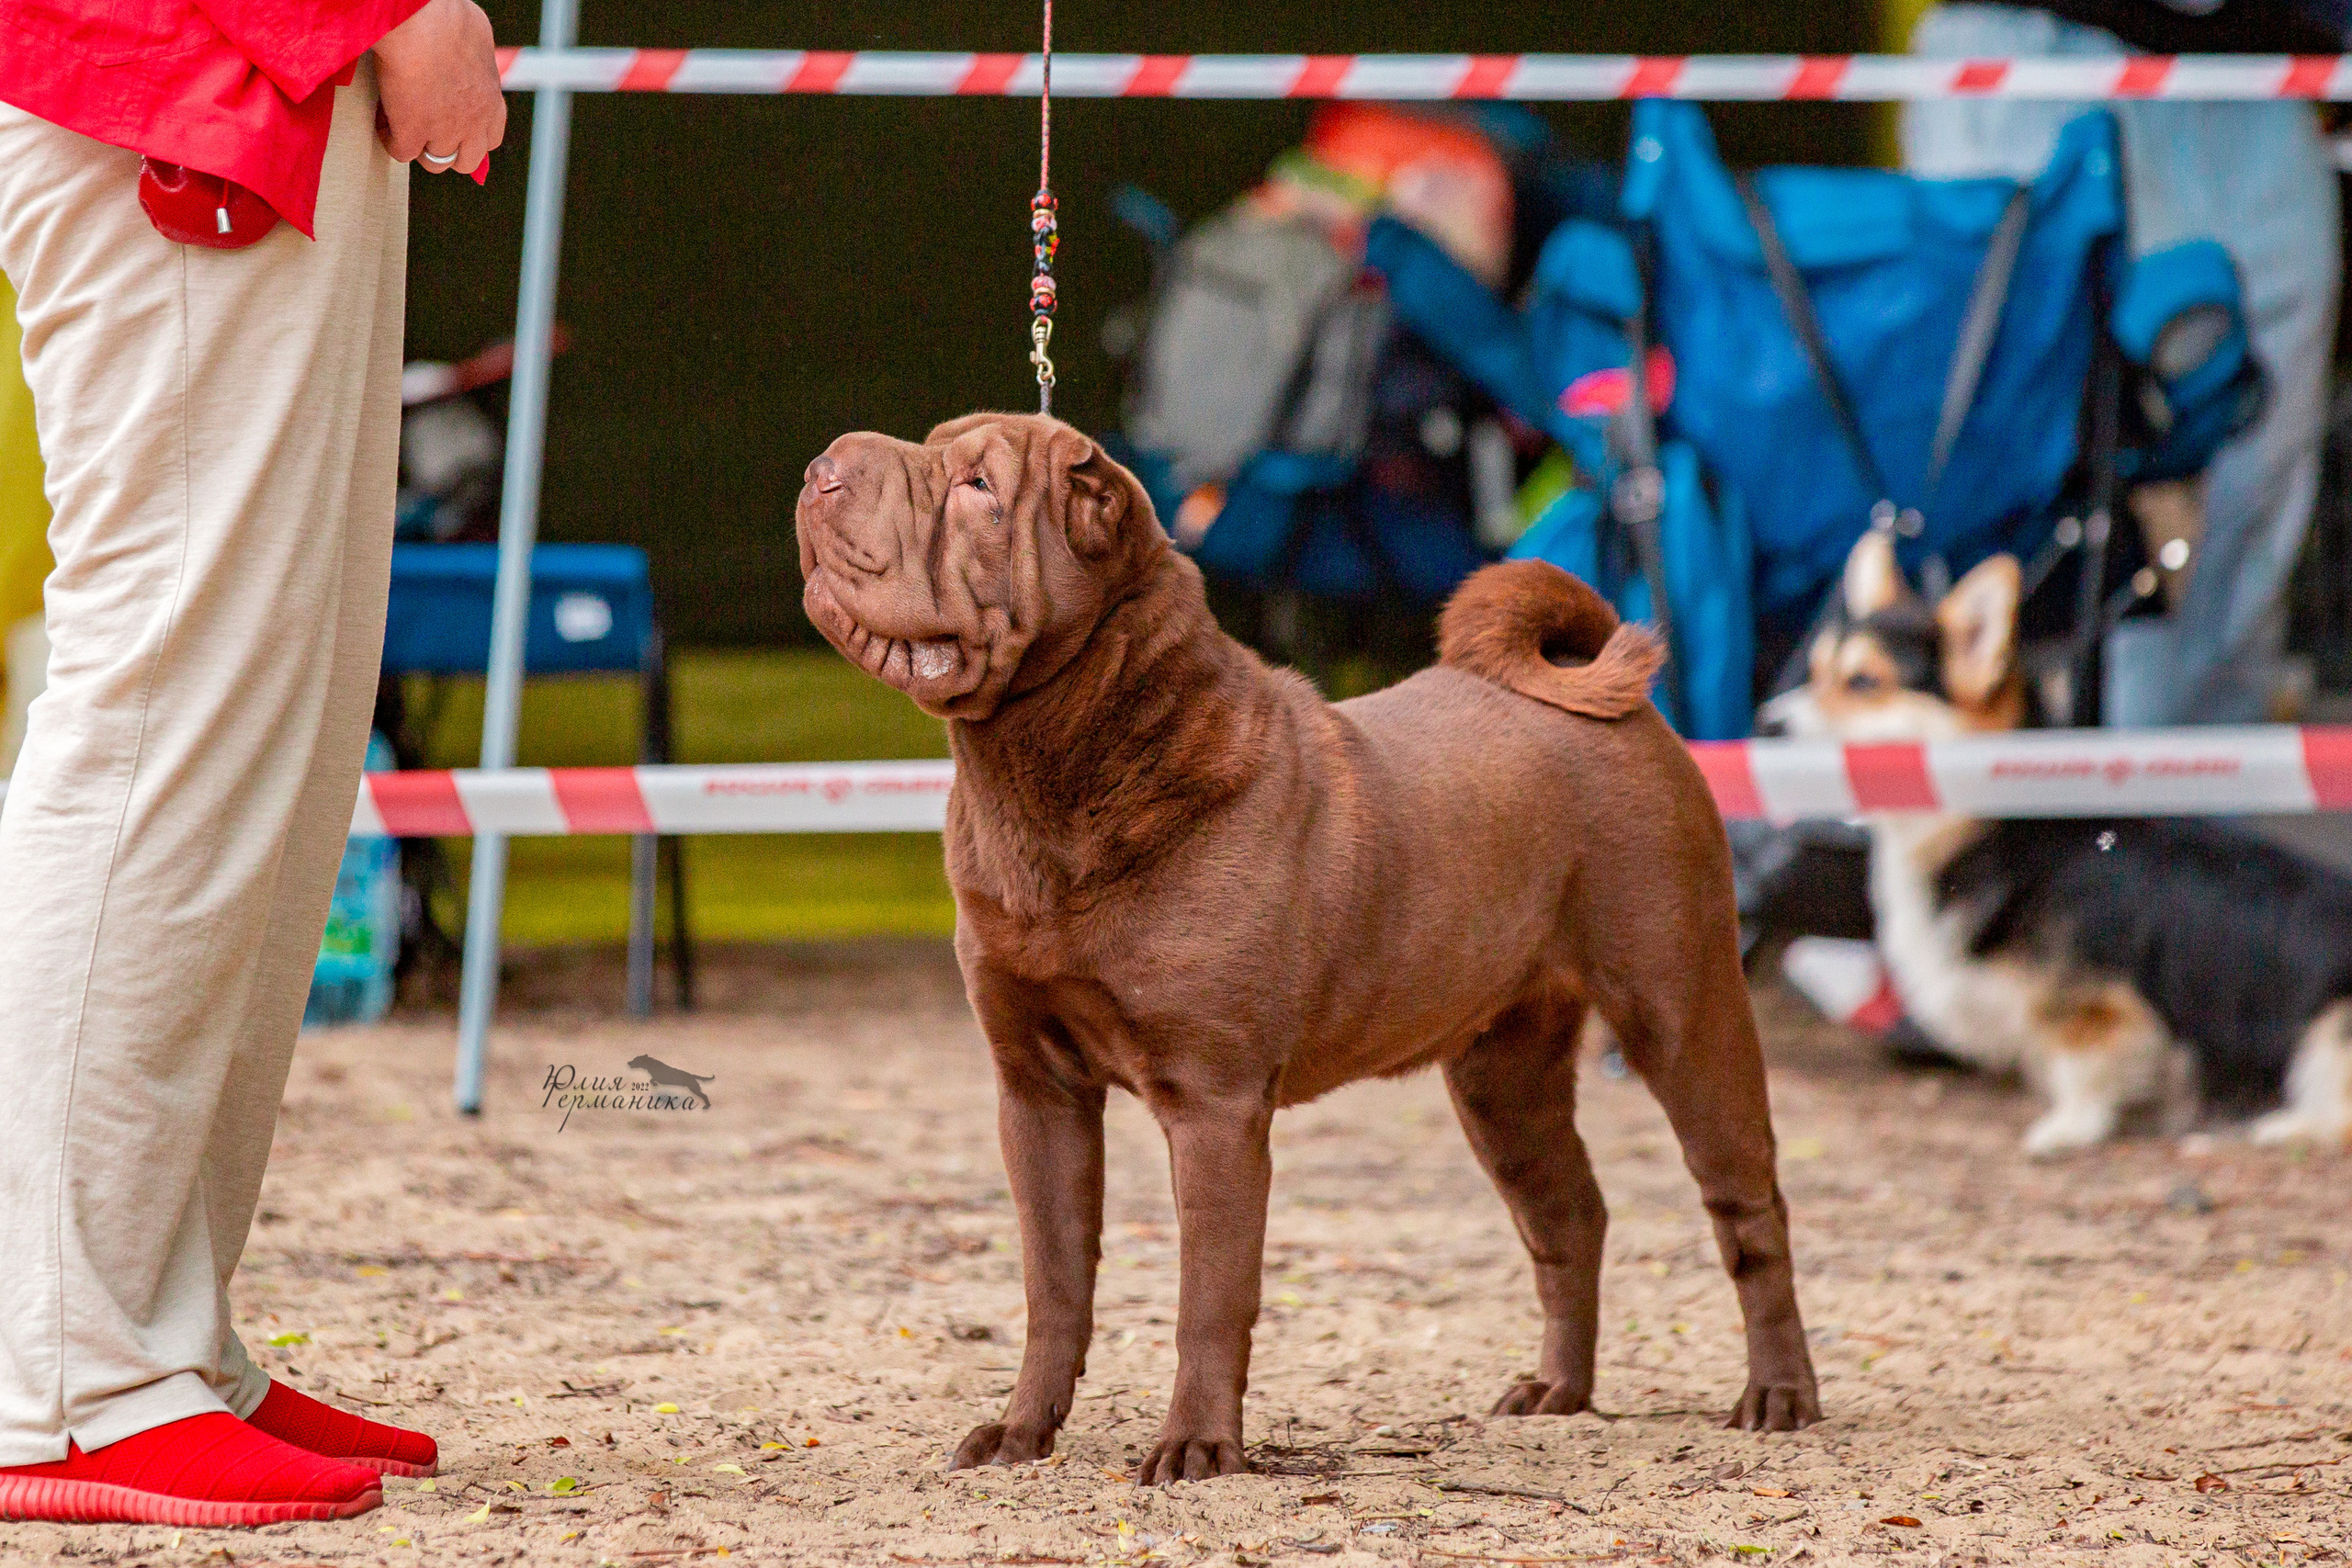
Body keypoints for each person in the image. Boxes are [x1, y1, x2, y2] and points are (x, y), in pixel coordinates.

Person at [0, 0, 504, 1527]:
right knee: (174, 690)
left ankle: (150, 1342)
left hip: (256, 82)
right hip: (185, 76)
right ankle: (62, 1374)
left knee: (275, 710)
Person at [1902, 0, 2344, 726]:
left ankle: (2197, 793)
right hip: (2041, 51)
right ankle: (2003, 769)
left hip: (2262, 67)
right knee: (2010, 441)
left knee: (2259, 444)